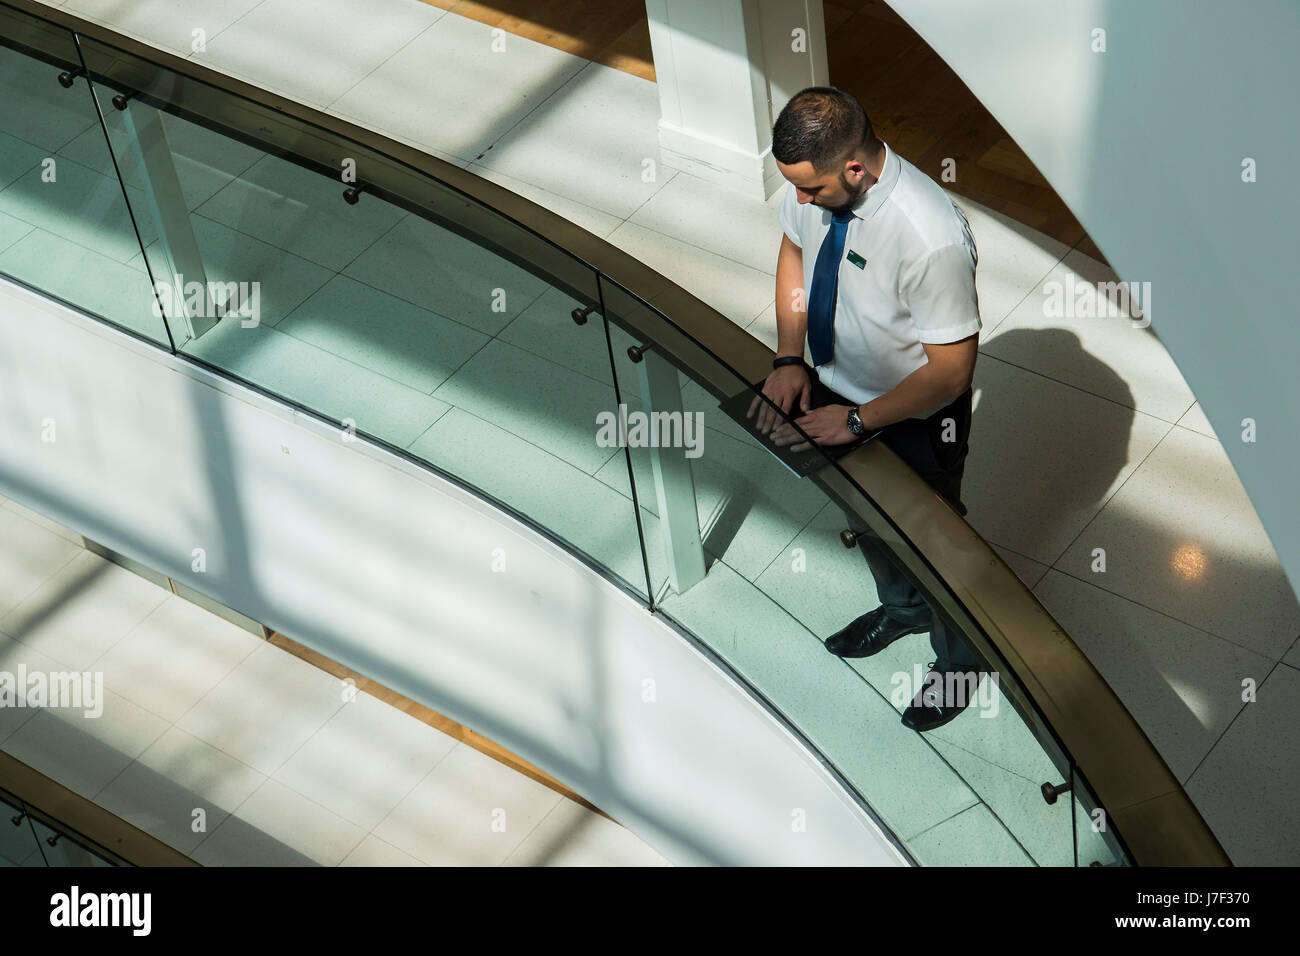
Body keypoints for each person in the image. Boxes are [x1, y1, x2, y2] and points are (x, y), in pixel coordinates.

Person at [748, 86, 985, 732]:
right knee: (869, 516)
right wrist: (789, 357)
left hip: (911, 415)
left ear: (855, 169)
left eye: (812, 190)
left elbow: (952, 371)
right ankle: (904, 609)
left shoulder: (928, 236)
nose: (799, 202)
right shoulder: (814, 190)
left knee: (936, 541)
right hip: (833, 387)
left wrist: (859, 421)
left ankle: (964, 658)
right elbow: (794, 252)